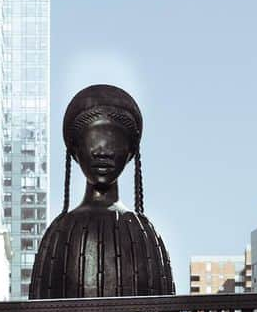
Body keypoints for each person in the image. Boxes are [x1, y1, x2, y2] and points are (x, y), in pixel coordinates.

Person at [30, 84, 175, 299]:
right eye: (93, 143)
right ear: (76, 153)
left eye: (113, 144)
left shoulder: (144, 233)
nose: (103, 152)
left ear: (129, 154)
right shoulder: (59, 232)